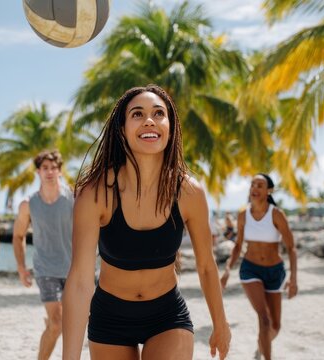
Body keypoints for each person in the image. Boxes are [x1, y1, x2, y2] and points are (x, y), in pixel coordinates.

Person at [62, 85, 231, 360]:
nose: (149, 120)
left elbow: (206, 266)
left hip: (167, 315)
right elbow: (80, 279)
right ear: (122, 129)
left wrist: (220, 324)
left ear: (170, 127)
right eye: (137, 114)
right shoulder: (96, 193)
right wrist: (69, 358)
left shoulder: (189, 192)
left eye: (158, 114)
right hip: (110, 318)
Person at [220, 173, 298, 360]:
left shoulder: (276, 214)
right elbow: (238, 246)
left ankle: (262, 344)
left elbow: (291, 247)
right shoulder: (243, 214)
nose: (255, 188)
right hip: (250, 269)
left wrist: (293, 279)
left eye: (260, 185)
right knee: (263, 319)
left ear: (268, 191)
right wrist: (228, 270)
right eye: (253, 184)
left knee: (275, 325)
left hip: (275, 271)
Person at [12, 149, 73, 360]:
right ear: (38, 171)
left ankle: (51, 322)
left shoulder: (73, 199)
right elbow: (18, 235)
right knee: (57, 324)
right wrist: (21, 267)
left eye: (53, 168)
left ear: (60, 171)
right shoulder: (28, 204)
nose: (49, 172)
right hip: (46, 270)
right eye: (45, 168)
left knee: (73, 324)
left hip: (74, 270)